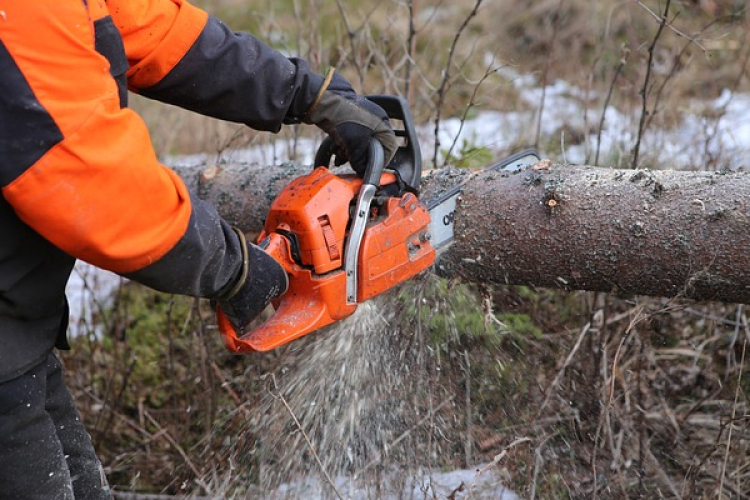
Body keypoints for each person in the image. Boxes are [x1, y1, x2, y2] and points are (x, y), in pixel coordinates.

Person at [0, 0, 397, 498]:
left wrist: (302, 92)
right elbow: (89, 182)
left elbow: (154, 29)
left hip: (19, 341)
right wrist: (233, 267)